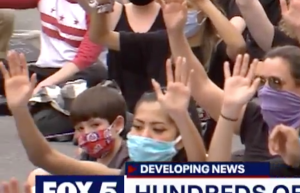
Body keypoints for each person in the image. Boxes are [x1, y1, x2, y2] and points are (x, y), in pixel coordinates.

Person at [2, 50, 206, 174]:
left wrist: (181, 115)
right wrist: (20, 110)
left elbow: (201, 170)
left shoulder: (184, 181)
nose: (144, 136)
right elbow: (46, 158)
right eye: (137, 126)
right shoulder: (122, 175)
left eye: (158, 129)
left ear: (179, 140)